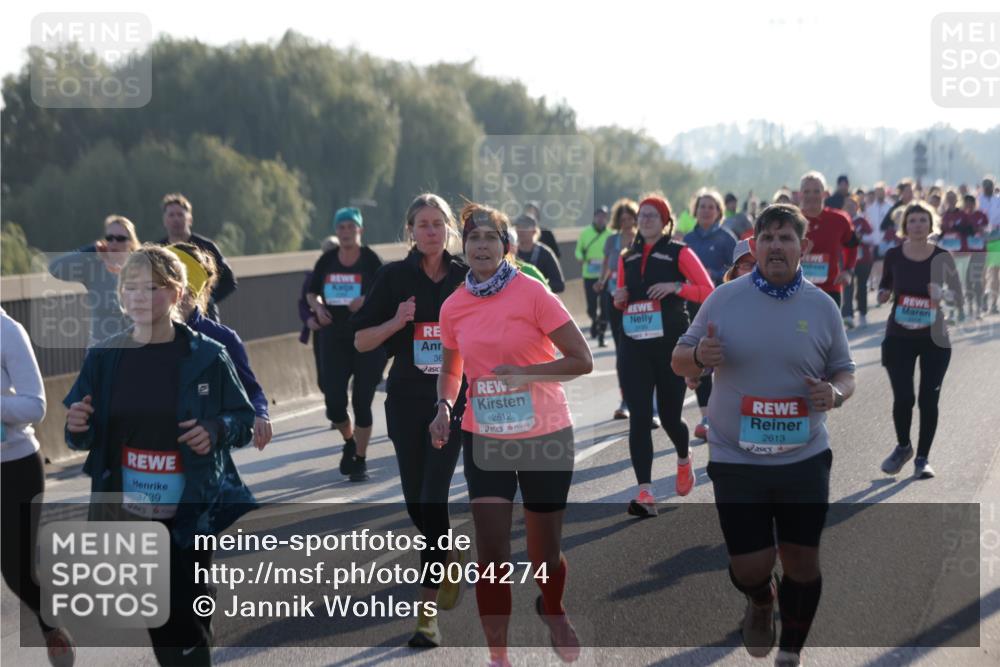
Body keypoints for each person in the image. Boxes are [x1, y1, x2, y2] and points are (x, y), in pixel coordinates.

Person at [672, 203, 857, 667]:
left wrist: (835, 393)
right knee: (750, 566)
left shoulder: (822, 306)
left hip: (803, 455)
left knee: (802, 561)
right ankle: (759, 597)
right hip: (737, 456)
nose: (776, 246)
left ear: (803, 247)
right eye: (768, 238)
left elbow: (845, 372)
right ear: (754, 246)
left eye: (785, 238)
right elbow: (679, 358)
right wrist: (700, 356)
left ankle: (790, 652)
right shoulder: (724, 299)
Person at [63, 245, 256, 666]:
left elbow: (243, 420)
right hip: (131, 510)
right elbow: (81, 434)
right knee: (161, 617)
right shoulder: (105, 357)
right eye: (131, 287)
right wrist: (77, 427)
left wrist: (215, 430)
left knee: (189, 613)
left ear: (176, 293)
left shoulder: (208, 355)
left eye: (152, 288)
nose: (139, 297)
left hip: (190, 508)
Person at [430, 203, 593, 667]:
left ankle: (553, 608)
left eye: (490, 237)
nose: (481, 245)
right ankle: (498, 656)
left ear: (506, 246)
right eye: (473, 238)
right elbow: (452, 369)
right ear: (464, 247)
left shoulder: (533, 293)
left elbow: (581, 360)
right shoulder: (453, 306)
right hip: (485, 435)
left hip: (545, 434)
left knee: (545, 554)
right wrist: (444, 406)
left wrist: (528, 374)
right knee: (491, 551)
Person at [352, 194, 470, 648]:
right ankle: (449, 553)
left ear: (449, 229)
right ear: (411, 231)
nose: (431, 231)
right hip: (404, 398)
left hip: (452, 399)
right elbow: (361, 341)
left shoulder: (465, 277)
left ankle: (426, 618)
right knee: (417, 504)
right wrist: (397, 322)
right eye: (423, 224)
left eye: (438, 223)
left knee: (433, 497)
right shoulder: (393, 277)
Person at [613, 195, 714, 516]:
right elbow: (621, 299)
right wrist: (619, 297)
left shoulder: (679, 252)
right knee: (640, 417)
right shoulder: (626, 257)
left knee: (670, 417)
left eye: (652, 215)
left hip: (671, 345)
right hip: (634, 346)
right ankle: (645, 491)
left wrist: (676, 287)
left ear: (665, 221)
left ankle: (684, 458)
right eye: (642, 214)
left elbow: (708, 291)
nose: (645, 220)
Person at [2, 308, 77, 667]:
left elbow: (36, 405)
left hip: (13, 467)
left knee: (17, 572)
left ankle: (50, 625)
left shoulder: (7, 331)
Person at [877, 202, 963, 479]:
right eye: (912, 220)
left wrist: (942, 295)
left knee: (928, 400)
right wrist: (883, 294)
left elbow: (959, 296)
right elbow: (885, 284)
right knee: (904, 398)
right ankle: (903, 446)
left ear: (931, 224)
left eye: (922, 220)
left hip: (934, 339)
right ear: (905, 225)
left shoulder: (942, 257)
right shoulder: (893, 255)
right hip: (899, 337)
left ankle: (923, 459)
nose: (917, 225)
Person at [306, 207, 385, 482]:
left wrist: (366, 300)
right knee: (334, 403)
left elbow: (386, 293)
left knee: (362, 401)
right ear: (336, 231)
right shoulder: (327, 260)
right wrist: (318, 307)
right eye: (341, 227)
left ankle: (360, 460)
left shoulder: (371, 260)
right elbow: (311, 292)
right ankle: (349, 440)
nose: (346, 232)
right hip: (334, 338)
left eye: (352, 227)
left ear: (360, 230)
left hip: (366, 339)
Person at [168, 242, 272, 450]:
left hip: (204, 455)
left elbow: (250, 389)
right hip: (154, 457)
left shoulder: (222, 339)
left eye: (165, 283)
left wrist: (260, 413)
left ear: (187, 291)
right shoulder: (139, 337)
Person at [684, 188, 736, 439]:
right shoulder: (687, 240)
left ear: (718, 212)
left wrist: (714, 274)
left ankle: (727, 412)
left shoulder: (727, 238)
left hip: (723, 304)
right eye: (702, 206)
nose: (706, 211)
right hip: (694, 306)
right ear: (695, 210)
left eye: (711, 207)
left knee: (724, 357)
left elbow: (739, 270)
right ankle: (706, 416)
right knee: (700, 356)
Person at [48, 215, 139, 347]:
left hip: (134, 348)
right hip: (101, 348)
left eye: (120, 238)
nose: (114, 242)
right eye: (109, 238)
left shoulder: (141, 269)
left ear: (130, 242)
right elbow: (55, 268)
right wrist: (91, 249)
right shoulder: (94, 266)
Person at [159, 194, 237, 323]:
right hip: (169, 317)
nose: (176, 219)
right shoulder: (159, 249)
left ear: (190, 219)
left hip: (204, 316)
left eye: (180, 215)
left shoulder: (206, 247)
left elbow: (229, 281)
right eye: (171, 215)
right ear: (165, 220)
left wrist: (208, 299)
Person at [596, 198, 638, 419]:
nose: (626, 223)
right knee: (621, 349)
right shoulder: (612, 240)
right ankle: (625, 400)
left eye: (630, 219)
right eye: (622, 220)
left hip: (637, 299)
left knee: (639, 349)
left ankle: (647, 397)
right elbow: (606, 264)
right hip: (613, 297)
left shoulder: (641, 239)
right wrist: (601, 281)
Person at [799, 171, 858, 307]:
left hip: (830, 289)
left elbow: (853, 246)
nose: (811, 196)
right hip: (796, 289)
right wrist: (800, 254)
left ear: (825, 194)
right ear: (800, 194)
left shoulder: (840, 219)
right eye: (807, 192)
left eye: (816, 191)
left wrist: (848, 271)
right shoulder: (790, 220)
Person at [298, 236, 340, 393]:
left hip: (345, 330)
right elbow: (303, 302)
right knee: (323, 379)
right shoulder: (314, 277)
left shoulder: (350, 275)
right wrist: (309, 319)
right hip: (322, 331)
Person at [576, 207, 611, 341]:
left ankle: (601, 333)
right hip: (589, 275)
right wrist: (581, 258)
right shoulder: (585, 233)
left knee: (605, 306)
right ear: (594, 217)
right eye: (598, 216)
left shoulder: (611, 234)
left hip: (606, 276)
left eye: (603, 216)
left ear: (606, 218)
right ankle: (594, 320)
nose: (601, 219)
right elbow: (578, 250)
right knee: (591, 306)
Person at [841, 195, 876, 328]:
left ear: (857, 207)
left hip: (863, 260)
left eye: (852, 205)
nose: (850, 208)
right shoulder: (842, 220)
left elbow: (872, 238)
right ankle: (848, 315)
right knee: (847, 287)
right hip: (847, 260)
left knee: (862, 287)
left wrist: (860, 237)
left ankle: (862, 313)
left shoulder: (862, 221)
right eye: (847, 206)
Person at [514, 215, 565, 294]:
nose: (520, 231)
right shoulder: (510, 253)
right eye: (518, 227)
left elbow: (559, 284)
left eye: (525, 227)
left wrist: (536, 288)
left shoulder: (545, 253)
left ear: (534, 231)